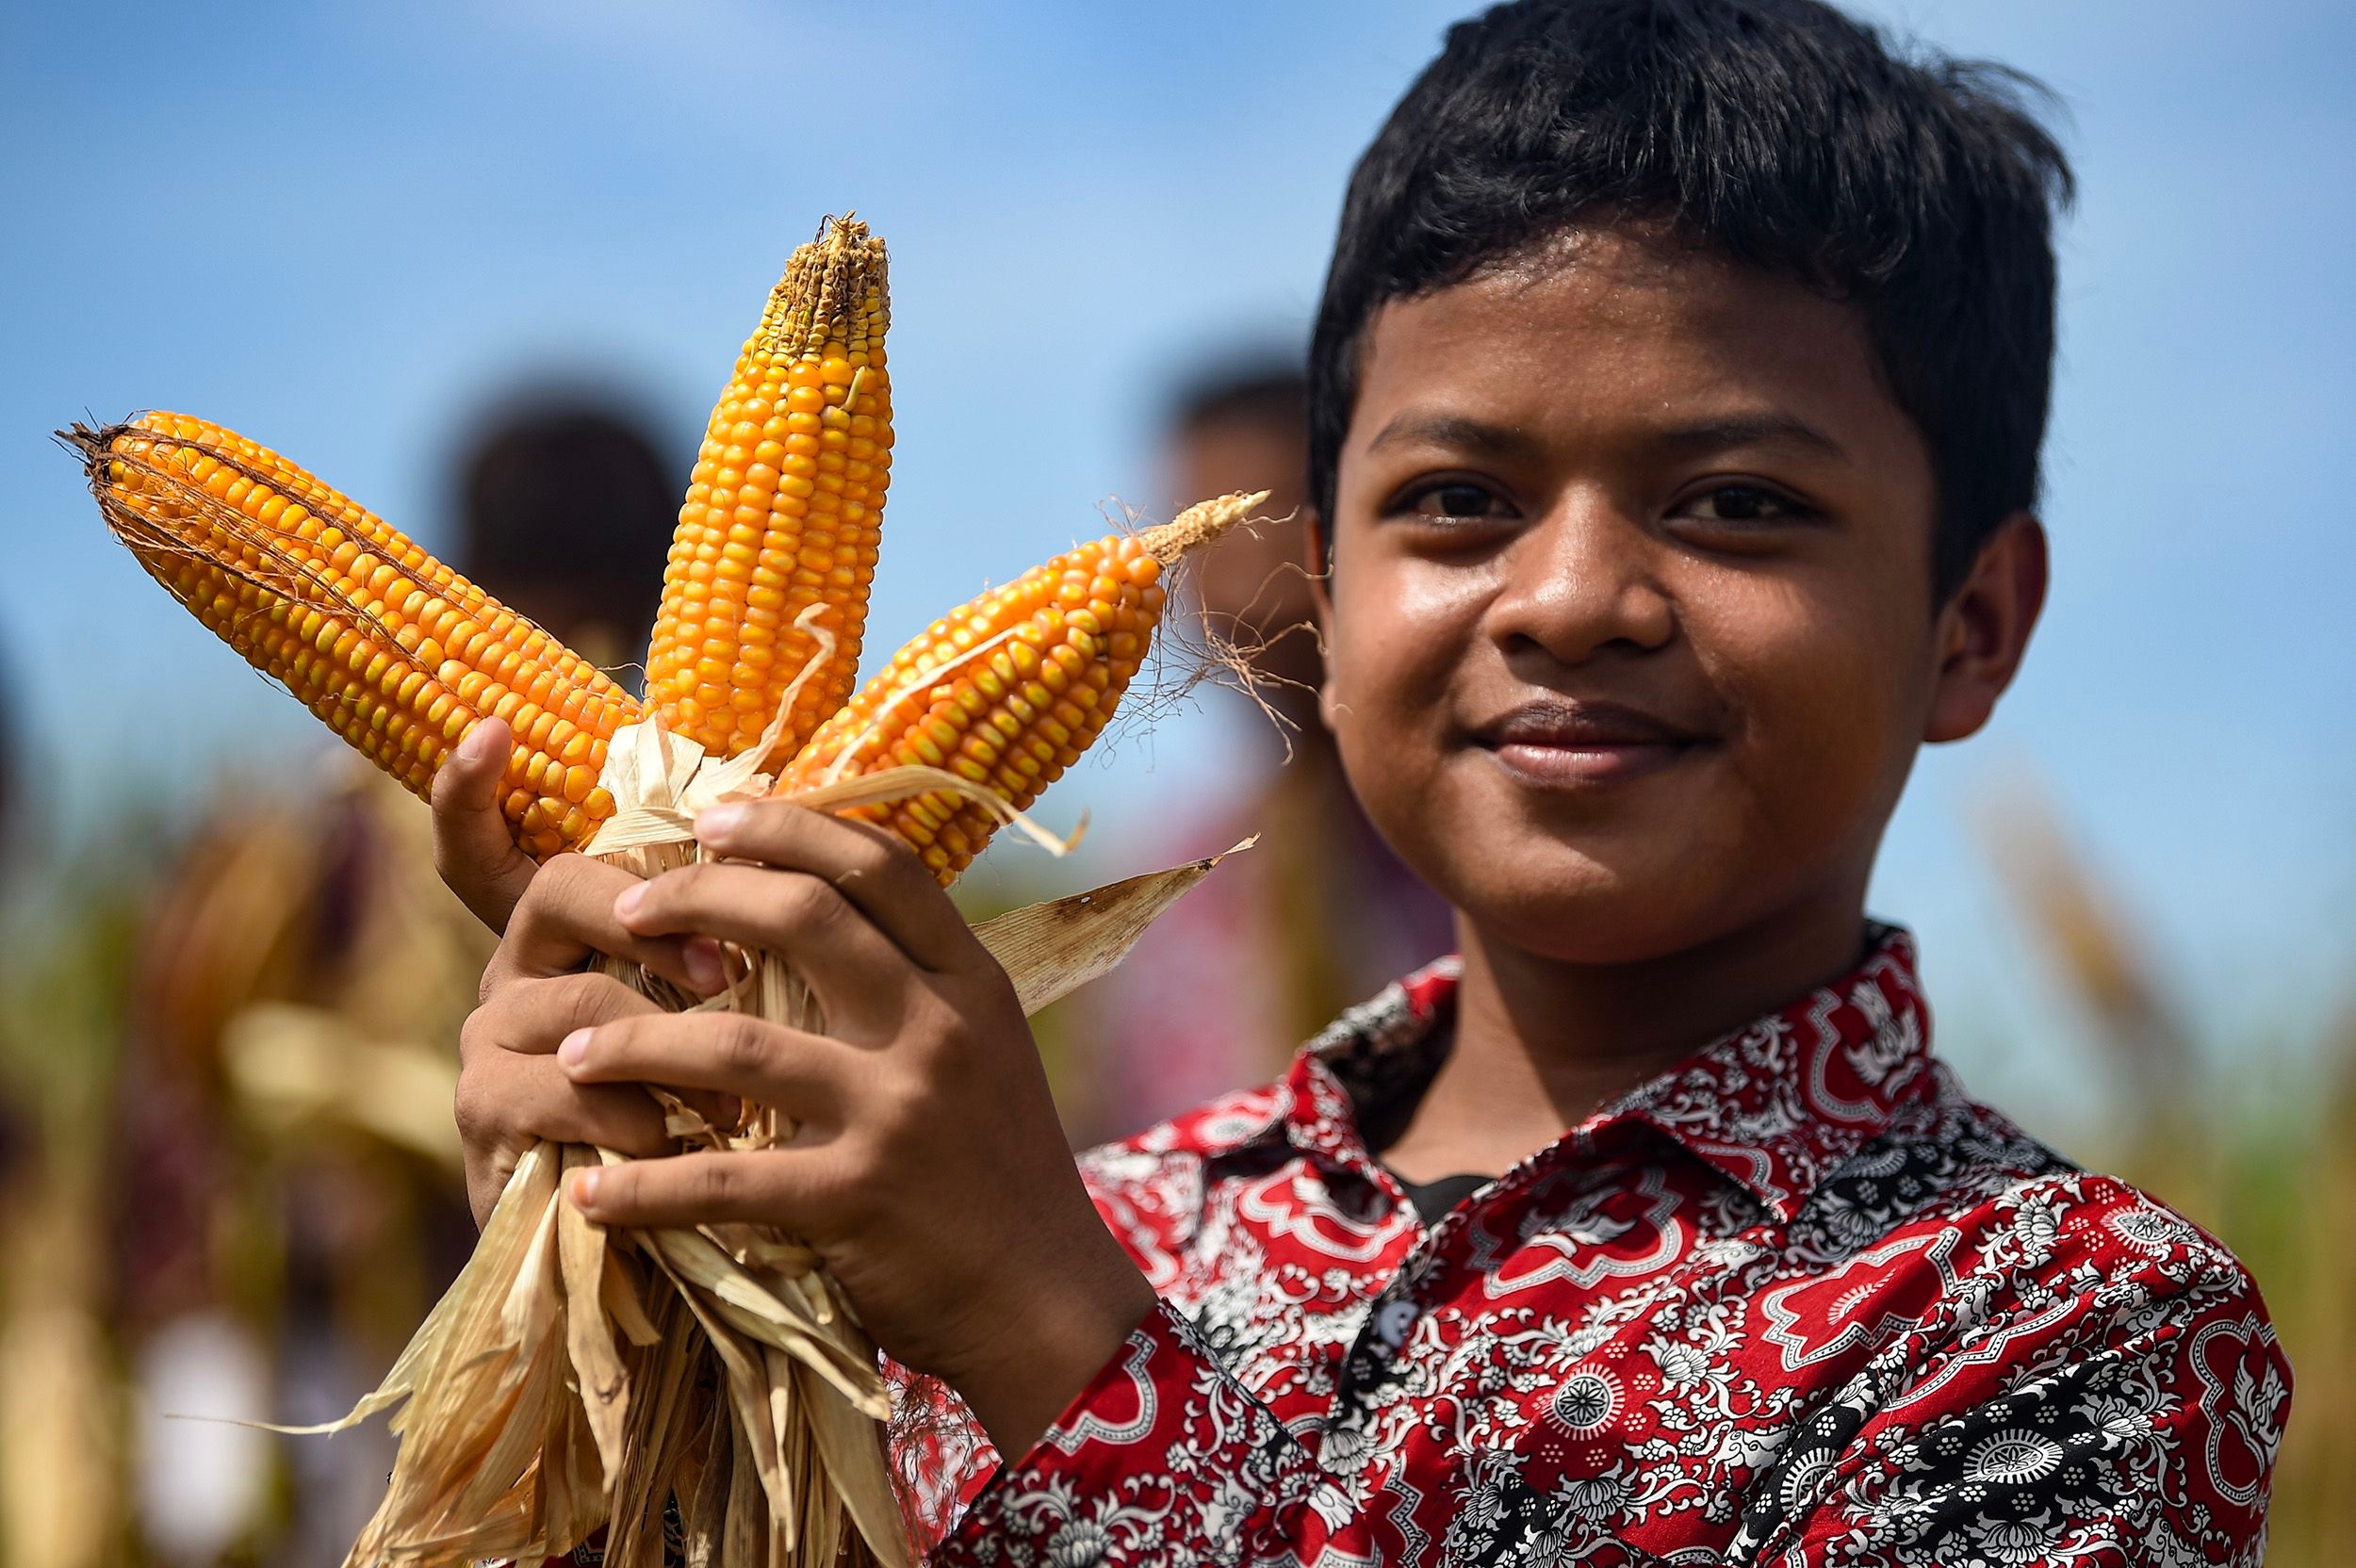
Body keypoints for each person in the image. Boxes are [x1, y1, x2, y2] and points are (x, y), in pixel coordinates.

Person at [434, 2, 2291, 1561]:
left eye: (1736, 502)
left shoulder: (2063, 1332)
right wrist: (615, 1264)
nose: (1566, 598)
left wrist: (1046, 1342)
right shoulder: (1124, 1214)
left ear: (1967, 622)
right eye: (1456, 502)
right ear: (1327, 585)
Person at [1078, 364, 1453, 1140]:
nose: (1237, 576)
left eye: (1268, 517)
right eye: (1197, 533)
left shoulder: (1469, 843)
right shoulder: (1175, 871)